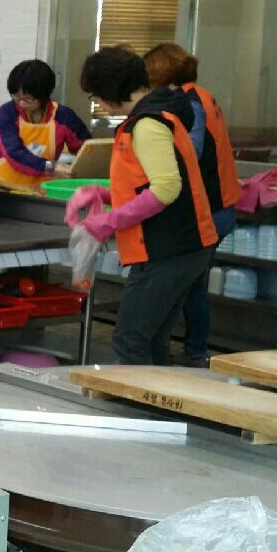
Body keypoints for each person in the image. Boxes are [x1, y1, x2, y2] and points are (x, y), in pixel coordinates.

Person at [71, 46, 218, 365]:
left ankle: (134, 398)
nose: (97, 103)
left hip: (167, 248)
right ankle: (157, 397)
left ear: (110, 91)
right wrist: (103, 194)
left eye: (96, 95)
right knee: (153, 342)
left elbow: (166, 188)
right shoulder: (158, 114)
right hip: (183, 246)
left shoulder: (148, 124)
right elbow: (147, 182)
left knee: (130, 341)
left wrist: (109, 221)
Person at [144, 43, 241, 367]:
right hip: (220, 205)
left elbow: (190, 153)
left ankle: (191, 354)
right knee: (191, 283)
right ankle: (190, 352)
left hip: (210, 208)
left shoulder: (189, 103)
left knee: (185, 285)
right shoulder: (200, 95)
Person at [0, 59, 94, 193]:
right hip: (8, 187)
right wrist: (50, 167)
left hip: (45, 189)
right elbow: (13, 153)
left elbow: (87, 150)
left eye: (28, 98)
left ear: (43, 95)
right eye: (17, 97)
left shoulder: (63, 117)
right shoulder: (7, 113)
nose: (22, 103)